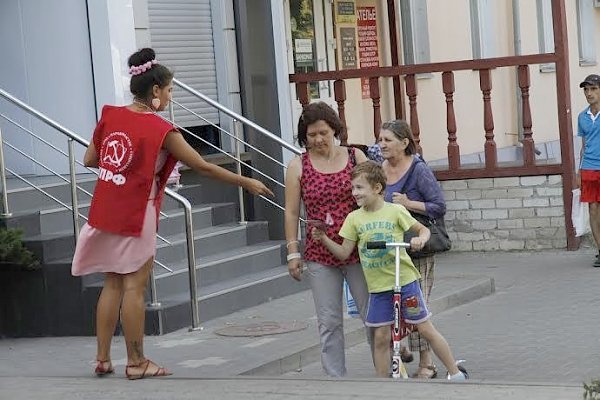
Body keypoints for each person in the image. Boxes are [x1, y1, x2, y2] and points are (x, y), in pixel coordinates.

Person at [71, 48, 273, 380]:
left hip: (105, 208)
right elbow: (204, 167)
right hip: (137, 212)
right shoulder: (161, 130)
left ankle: (103, 358)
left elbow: (90, 159)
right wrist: (246, 180)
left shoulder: (110, 115)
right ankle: (136, 363)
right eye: (169, 90)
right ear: (155, 91)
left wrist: (123, 168)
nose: (170, 96)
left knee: (112, 283)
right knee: (136, 286)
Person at [312, 161, 466, 380]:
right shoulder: (354, 218)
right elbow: (344, 253)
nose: (354, 193)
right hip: (378, 288)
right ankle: (382, 385)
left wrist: (420, 240)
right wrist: (324, 239)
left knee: (424, 327)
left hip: (404, 281)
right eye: (353, 188)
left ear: (377, 188)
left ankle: (455, 372)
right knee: (381, 337)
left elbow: (422, 229)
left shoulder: (395, 211)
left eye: (359, 187)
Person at [284, 101, 371, 377]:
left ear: (334, 129)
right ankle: (336, 381)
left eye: (323, 132)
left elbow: (376, 195)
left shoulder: (356, 157)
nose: (318, 139)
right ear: (304, 137)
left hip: (359, 250)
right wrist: (292, 252)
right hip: (320, 253)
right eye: (311, 135)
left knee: (372, 316)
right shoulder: (298, 166)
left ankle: (387, 372)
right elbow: (291, 212)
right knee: (329, 321)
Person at [378, 119, 446, 378]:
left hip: (416, 248)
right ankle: (401, 345)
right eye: (380, 139)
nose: (382, 144)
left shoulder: (418, 169)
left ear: (404, 143)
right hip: (388, 251)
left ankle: (427, 363)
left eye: (387, 140)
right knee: (394, 304)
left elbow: (438, 206)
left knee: (416, 305)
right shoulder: (379, 169)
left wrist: (409, 203)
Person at [577, 74, 600, 268]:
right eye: (586, 89)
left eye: (593, 89)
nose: (589, 93)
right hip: (589, 169)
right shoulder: (582, 117)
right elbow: (583, 145)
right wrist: (579, 172)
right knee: (593, 209)